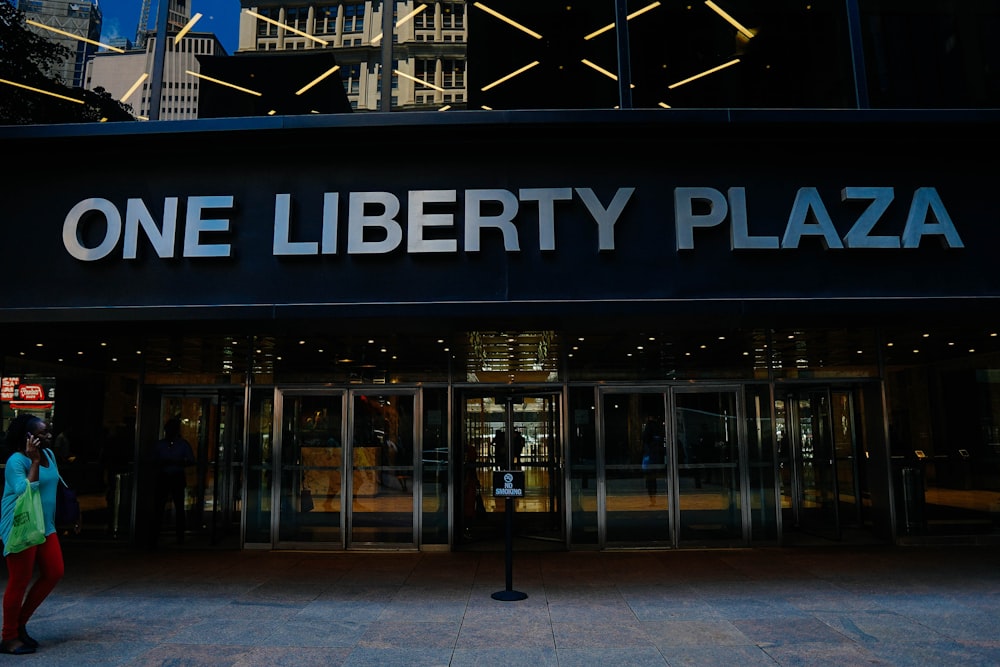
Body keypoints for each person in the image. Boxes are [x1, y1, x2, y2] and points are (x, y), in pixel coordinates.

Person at [0, 415, 65, 655]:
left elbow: (55, 487)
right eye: (42, 433)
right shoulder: (17, 461)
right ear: (28, 438)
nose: (49, 436)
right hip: (21, 525)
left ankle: (19, 624)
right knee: (20, 579)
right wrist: (34, 461)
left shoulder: (49, 455)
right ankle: (8, 637)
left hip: (44, 525)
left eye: (48, 431)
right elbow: (25, 491)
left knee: (55, 571)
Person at [149, 417, 195, 548]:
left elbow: (191, 460)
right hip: (164, 476)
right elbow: (152, 460)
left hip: (176, 476)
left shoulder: (182, 444)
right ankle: (154, 536)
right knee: (159, 507)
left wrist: (177, 463)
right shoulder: (161, 445)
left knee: (179, 507)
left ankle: (179, 536)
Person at [642, 415, 665, 505]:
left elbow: (645, 440)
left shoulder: (648, 434)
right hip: (654, 458)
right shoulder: (658, 432)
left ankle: (652, 497)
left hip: (649, 458)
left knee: (650, 479)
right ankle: (653, 497)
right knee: (652, 479)